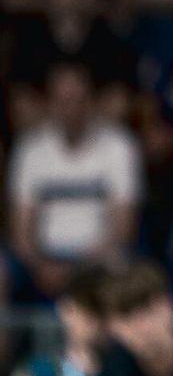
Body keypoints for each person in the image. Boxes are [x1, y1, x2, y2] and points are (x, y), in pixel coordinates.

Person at [8, 63, 142, 297]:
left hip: (99, 257)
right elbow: (20, 232)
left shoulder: (119, 145)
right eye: (63, 101)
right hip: (42, 259)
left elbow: (123, 229)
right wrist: (41, 265)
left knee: (123, 267)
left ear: (92, 101)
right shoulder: (30, 149)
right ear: (49, 104)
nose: (71, 110)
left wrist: (79, 268)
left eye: (78, 100)